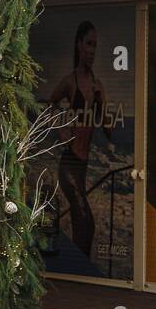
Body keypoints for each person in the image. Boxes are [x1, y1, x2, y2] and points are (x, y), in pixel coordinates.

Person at [48, 20, 112, 258]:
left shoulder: (98, 85)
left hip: (83, 167)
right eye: (88, 44)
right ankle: (79, 269)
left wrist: (101, 102)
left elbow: (108, 130)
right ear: (78, 46)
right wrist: (61, 130)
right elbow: (50, 105)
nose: (92, 51)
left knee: (80, 221)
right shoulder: (69, 81)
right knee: (86, 220)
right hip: (69, 164)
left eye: (95, 45)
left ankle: (76, 268)